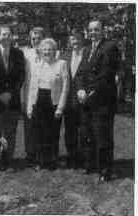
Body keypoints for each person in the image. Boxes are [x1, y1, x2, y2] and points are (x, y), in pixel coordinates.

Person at [77, 19, 120, 181]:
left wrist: (89, 92)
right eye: (91, 30)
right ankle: (90, 165)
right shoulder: (87, 49)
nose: (93, 32)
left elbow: (106, 75)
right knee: (87, 134)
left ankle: (105, 171)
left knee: (103, 137)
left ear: (103, 31)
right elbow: (80, 73)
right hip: (86, 100)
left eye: (96, 29)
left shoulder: (110, 47)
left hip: (102, 101)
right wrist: (80, 89)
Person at [27, 38, 69, 170]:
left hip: (54, 102)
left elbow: (65, 87)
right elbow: (32, 88)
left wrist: (60, 107)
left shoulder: (62, 64)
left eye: (50, 49)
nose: (47, 52)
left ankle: (52, 161)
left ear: (54, 51)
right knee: (39, 133)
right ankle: (39, 161)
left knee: (53, 133)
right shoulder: (37, 65)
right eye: (44, 49)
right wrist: (29, 106)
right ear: (40, 51)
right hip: (39, 101)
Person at [0, 24, 25, 168]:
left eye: (8, 34)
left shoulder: (18, 54)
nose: (6, 37)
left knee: (10, 132)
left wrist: (10, 93)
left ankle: (8, 160)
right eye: (3, 34)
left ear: (12, 37)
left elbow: (21, 76)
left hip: (13, 99)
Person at [63, 28, 85, 169]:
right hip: (68, 99)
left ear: (82, 39)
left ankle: (84, 157)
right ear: (69, 42)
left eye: (77, 38)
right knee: (70, 130)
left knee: (84, 130)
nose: (75, 41)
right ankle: (71, 157)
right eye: (72, 39)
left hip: (84, 99)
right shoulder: (65, 56)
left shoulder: (88, 54)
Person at [22, 27, 45, 166]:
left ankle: (42, 156)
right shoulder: (25, 54)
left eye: (39, 38)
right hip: (29, 95)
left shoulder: (50, 53)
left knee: (42, 127)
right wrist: (22, 99)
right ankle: (30, 156)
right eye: (33, 39)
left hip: (44, 96)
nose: (36, 41)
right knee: (29, 127)